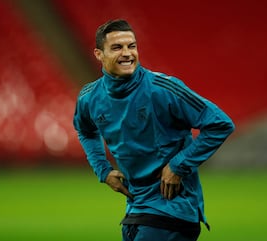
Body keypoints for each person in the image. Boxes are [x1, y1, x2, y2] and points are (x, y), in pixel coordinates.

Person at [73, 19, 235, 241]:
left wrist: (179, 165)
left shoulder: (163, 89)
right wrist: (103, 170)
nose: (127, 53)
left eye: (132, 46)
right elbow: (86, 130)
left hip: (172, 208)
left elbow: (220, 123)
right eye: (117, 47)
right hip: (135, 208)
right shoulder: (89, 97)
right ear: (98, 54)